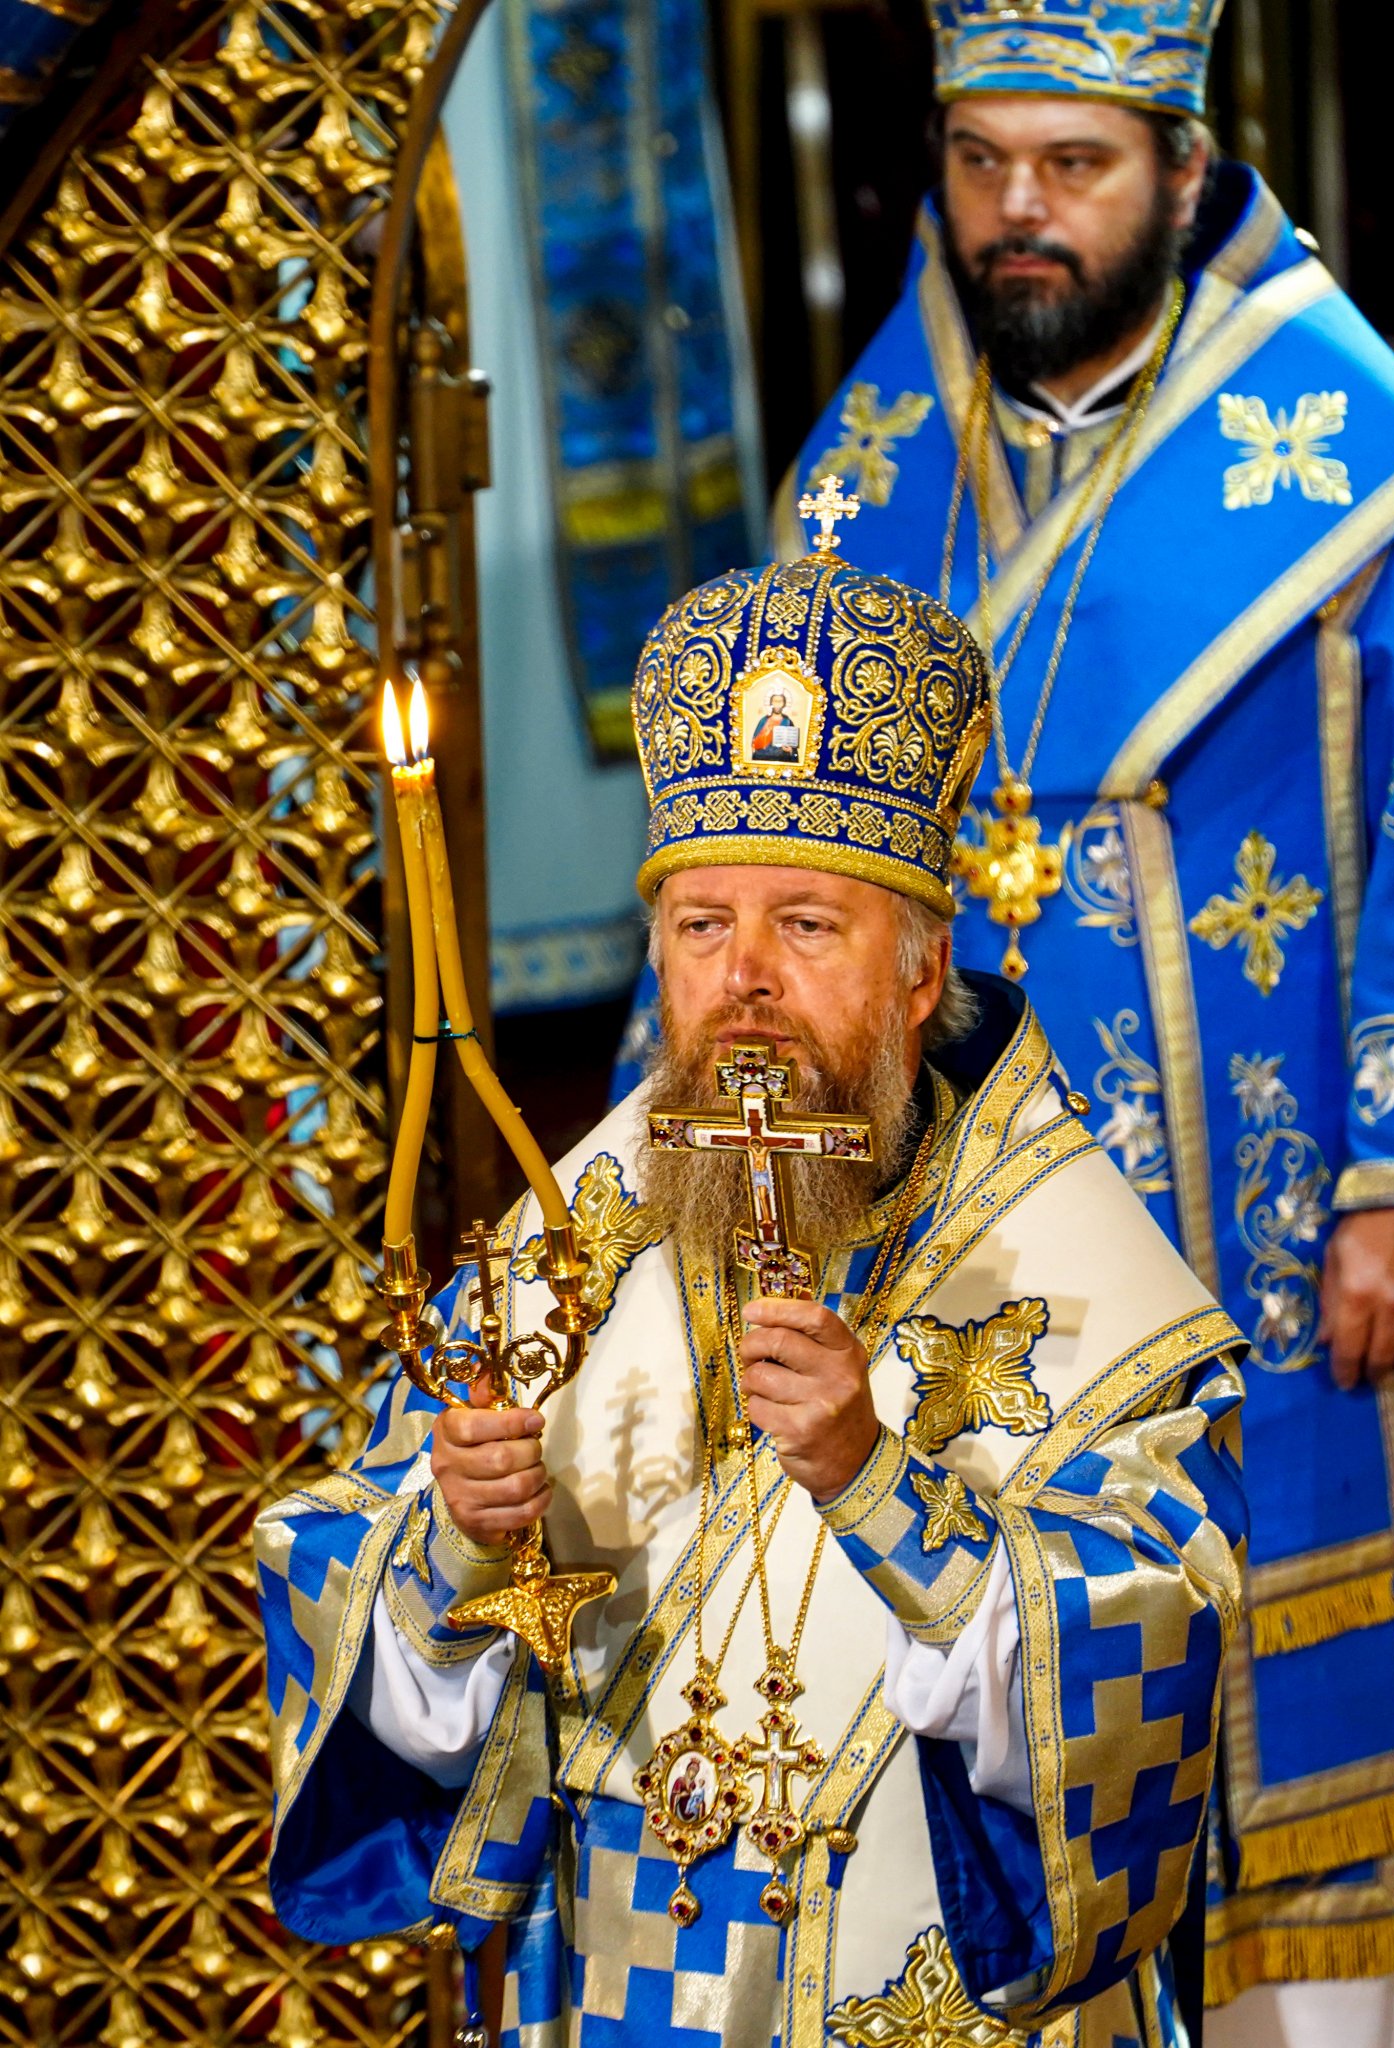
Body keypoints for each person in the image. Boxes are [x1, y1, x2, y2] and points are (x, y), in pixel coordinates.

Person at [257, 523, 1247, 2046]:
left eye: (805, 926)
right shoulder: (561, 1246)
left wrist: (877, 1482)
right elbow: (365, 1653)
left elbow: (1149, 1696)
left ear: (921, 972)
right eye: (704, 928)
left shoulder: (1089, 1288)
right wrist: (452, 1545)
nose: (746, 983)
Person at [761, 2, 1394, 2037]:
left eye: (1074, 166)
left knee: (1296, 1754)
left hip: (1279, 1195)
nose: (1017, 214)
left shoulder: (1344, 434)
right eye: (980, 163)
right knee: (1006, 1677)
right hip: (974, 1220)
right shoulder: (871, 477)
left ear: (1184, 172)